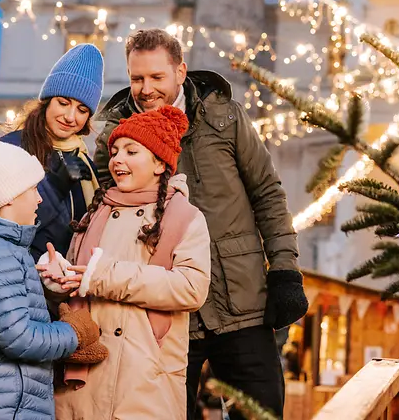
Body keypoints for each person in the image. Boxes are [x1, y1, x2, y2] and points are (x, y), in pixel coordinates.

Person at [93, 29, 308, 419]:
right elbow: (108, 218)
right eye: (137, 78)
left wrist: (285, 271)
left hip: (241, 301)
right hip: (163, 312)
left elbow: (267, 194)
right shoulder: (114, 136)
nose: (146, 89)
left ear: (180, 71)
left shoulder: (223, 118)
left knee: (259, 413)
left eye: (157, 77)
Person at [47, 105, 212, 420]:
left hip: (144, 384)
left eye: (131, 151)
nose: (117, 159)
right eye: (115, 151)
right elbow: (74, 286)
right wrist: (56, 280)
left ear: (160, 163)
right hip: (84, 383)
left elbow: (191, 288)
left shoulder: (185, 217)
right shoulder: (96, 213)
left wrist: (104, 276)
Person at [0, 137, 108, 420]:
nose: (39, 198)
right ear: (8, 196)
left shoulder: (7, 251)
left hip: (12, 407)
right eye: (33, 188)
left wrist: (47, 283)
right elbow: (19, 337)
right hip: (6, 412)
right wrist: (75, 333)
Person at [1, 43, 104, 261]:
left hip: (66, 283)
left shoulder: (83, 160)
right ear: (47, 102)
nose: (70, 116)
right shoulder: (11, 149)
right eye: (63, 103)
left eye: (82, 110)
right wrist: (56, 187)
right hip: (20, 278)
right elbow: (3, 227)